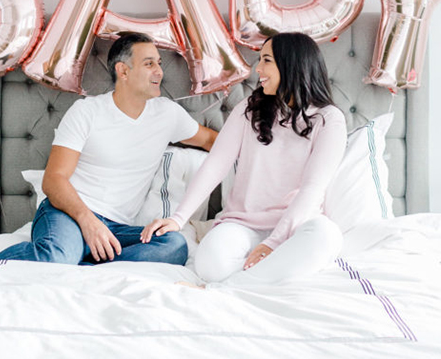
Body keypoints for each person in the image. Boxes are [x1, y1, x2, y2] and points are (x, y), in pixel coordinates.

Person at [0, 33, 217, 272]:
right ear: (123, 71)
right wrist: (88, 222)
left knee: (174, 246)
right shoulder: (87, 112)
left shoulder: (168, 114)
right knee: (56, 257)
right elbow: (53, 180)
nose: (159, 71)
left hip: (118, 228)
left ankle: (80, 264)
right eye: (149, 64)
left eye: (159, 63)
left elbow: (210, 141)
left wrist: (244, 145)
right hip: (67, 214)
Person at [141, 32, 346, 287]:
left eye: (267, 60)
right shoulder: (249, 109)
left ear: (291, 64)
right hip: (242, 224)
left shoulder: (329, 119)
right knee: (209, 263)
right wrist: (178, 218)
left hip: (296, 227)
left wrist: (273, 243)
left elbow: (312, 189)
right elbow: (215, 165)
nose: (258, 69)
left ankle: (224, 289)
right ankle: (261, 279)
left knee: (327, 236)